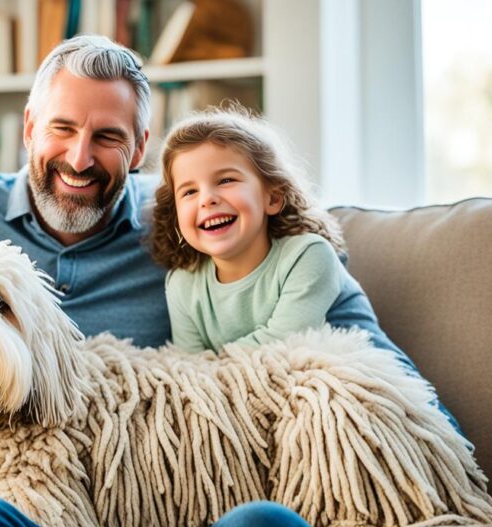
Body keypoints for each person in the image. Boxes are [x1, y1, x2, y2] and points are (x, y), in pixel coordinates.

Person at [0, 35, 327, 527]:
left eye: (107, 137)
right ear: (29, 126)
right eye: (62, 128)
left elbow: (319, 307)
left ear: (142, 143)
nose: (80, 158)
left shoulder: (189, 221)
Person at [150, 106, 462, 433]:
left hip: (373, 399)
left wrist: (210, 369)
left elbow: (282, 342)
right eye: (189, 191)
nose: (207, 199)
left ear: (273, 197)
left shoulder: (309, 254)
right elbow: (189, 365)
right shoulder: (182, 284)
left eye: (226, 180)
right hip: (279, 407)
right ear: (175, 215)